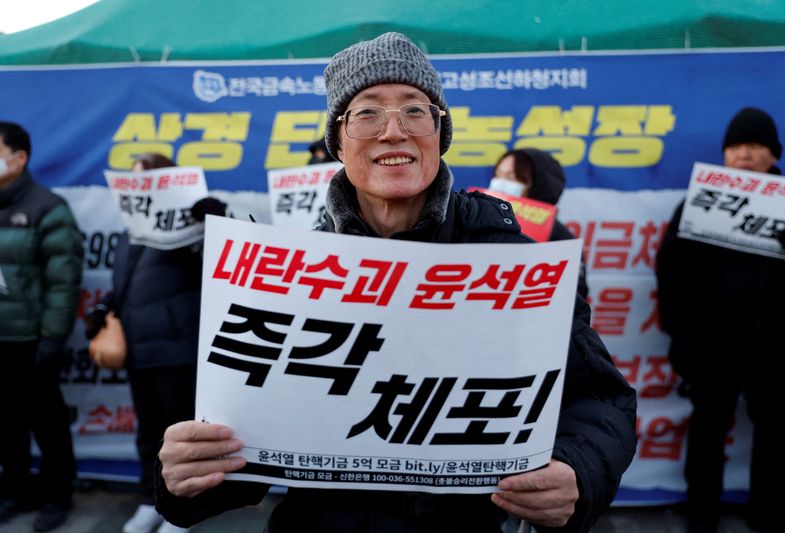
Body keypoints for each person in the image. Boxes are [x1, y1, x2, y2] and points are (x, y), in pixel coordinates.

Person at [155, 32, 637, 533]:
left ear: (438, 132)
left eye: (414, 110)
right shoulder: (291, 273)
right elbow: (238, 444)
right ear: (338, 141)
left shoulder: (510, 261)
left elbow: (600, 399)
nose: (393, 132)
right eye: (367, 113)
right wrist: (187, 474)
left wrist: (578, 470)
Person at [655, 108, 785, 533]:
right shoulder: (697, 204)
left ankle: (770, 513)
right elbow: (671, 273)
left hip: (779, 346)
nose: (744, 155)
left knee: (774, 434)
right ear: (724, 155)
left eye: (755, 146)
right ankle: (701, 512)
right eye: (736, 147)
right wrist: (681, 335)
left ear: (773, 154)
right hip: (711, 344)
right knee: (707, 431)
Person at [84, 153, 225, 533]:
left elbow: (216, 259)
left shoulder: (193, 228)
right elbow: (124, 286)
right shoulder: (130, 234)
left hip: (177, 350)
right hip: (137, 349)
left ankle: (183, 509)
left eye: (145, 180)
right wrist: (104, 308)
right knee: (148, 433)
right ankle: (151, 499)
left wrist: (211, 219)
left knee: (181, 433)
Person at [0, 122, 83, 532]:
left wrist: (53, 336)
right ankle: (16, 490)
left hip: (32, 338)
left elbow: (64, 281)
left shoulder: (48, 207)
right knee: (6, 422)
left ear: (19, 157)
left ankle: (57, 494)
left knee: (46, 420)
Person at [490, 148, 588, 300]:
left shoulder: (560, 237)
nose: (500, 184)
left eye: (512, 178)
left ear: (538, 184)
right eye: (498, 175)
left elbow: (576, 295)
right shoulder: (482, 221)